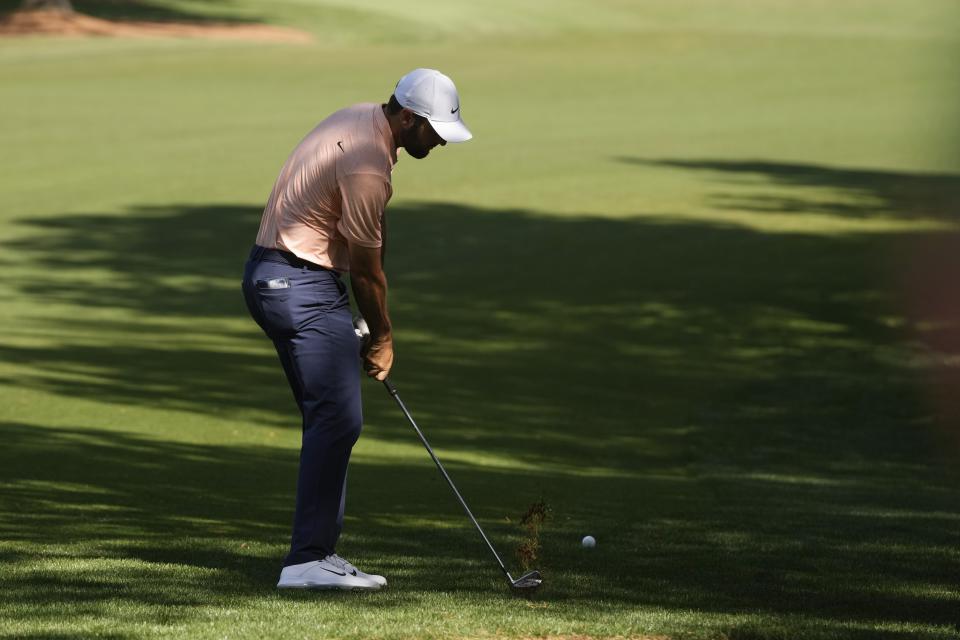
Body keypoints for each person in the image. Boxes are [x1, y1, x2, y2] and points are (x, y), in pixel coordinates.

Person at [241, 69, 472, 591]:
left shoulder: (366, 119)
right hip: (298, 281)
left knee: (331, 417)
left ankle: (317, 552)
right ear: (407, 117)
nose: (438, 142)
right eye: (432, 131)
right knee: (338, 417)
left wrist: (365, 321)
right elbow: (367, 271)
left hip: (279, 275)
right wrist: (384, 337)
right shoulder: (369, 163)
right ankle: (306, 561)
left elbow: (371, 232)